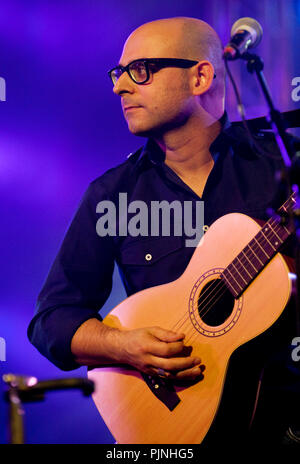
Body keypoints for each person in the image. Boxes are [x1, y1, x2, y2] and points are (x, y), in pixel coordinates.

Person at [28, 17, 300, 448]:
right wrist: (122, 346)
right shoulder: (112, 194)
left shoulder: (281, 164)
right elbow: (50, 321)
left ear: (201, 76)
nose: (120, 87)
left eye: (141, 71)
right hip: (172, 432)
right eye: (118, 74)